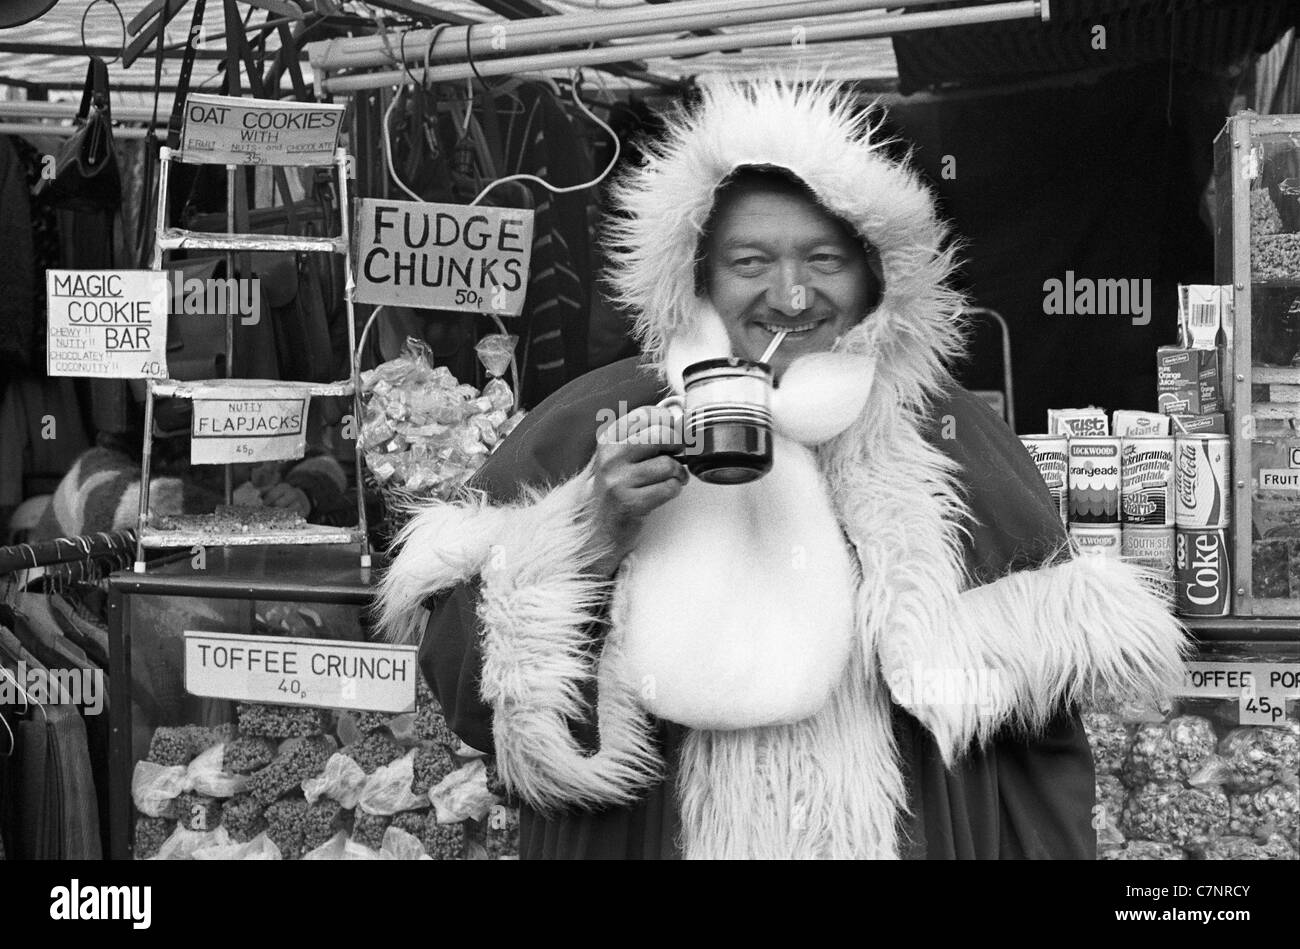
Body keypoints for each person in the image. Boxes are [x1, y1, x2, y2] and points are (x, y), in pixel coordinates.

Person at [377, 78, 1186, 859]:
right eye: (751, 260)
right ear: (696, 273)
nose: (791, 296)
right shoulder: (602, 417)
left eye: (824, 259)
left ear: (877, 276)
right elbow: (465, 685)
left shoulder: (943, 434)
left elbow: (1040, 747)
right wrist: (586, 531)